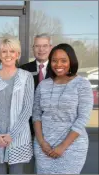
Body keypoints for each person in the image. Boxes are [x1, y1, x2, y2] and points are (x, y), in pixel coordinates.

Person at [32, 43, 93, 174]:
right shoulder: (43, 85)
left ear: (71, 61)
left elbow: (83, 118)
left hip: (72, 147)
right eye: (54, 60)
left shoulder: (82, 84)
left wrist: (63, 146)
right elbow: (36, 115)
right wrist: (42, 143)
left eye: (63, 60)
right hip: (43, 147)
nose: (58, 64)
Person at [0, 37, 34, 174]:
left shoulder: (26, 77)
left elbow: (27, 109)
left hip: (17, 136)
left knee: (17, 171)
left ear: (18, 54)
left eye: (12, 51)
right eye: (4, 51)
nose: (8, 55)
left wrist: (12, 135)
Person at [19, 33, 53, 173]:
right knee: (26, 168)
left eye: (45, 46)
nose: (41, 49)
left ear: (51, 48)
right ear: (33, 48)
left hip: (51, 130)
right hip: (27, 129)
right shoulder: (23, 70)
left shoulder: (58, 69)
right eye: (37, 46)